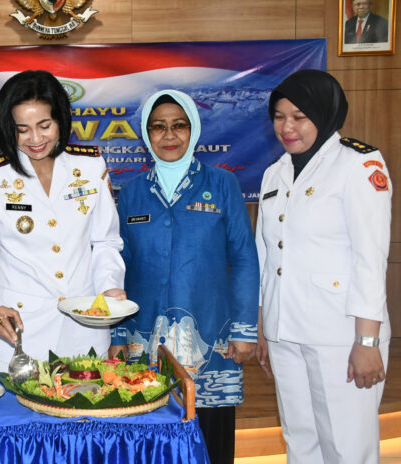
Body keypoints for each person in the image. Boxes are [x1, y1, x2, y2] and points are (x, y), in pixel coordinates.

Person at [109, 89, 259, 464]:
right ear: (146, 135)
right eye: (158, 127)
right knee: (147, 438)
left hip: (210, 338)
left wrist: (244, 329)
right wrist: (117, 334)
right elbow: (118, 267)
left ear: (193, 130)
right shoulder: (132, 192)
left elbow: (244, 258)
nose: (169, 135)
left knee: (210, 441)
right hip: (143, 339)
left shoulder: (222, 184)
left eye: (179, 125)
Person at [255, 69, 391, 464]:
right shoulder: (275, 172)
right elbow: (267, 254)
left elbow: (370, 257)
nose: (287, 127)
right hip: (285, 330)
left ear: (324, 113)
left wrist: (367, 341)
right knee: (300, 442)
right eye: (279, 117)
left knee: (347, 447)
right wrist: (263, 323)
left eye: (299, 116)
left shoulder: (358, 165)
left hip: (340, 334)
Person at [0, 70, 126, 373]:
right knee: (15, 405)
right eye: (22, 129)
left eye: (45, 126)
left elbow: (105, 241)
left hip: (85, 324)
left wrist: (109, 287)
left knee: (86, 402)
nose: (35, 139)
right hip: (17, 330)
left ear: (60, 120)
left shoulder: (89, 165)